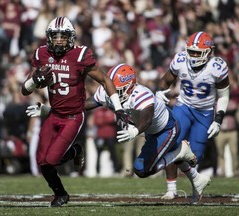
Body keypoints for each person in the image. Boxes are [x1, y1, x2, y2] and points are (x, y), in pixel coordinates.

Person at [27, 63, 202, 204]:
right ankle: (195, 177)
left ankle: (181, 151)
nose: (112, 93)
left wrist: (135, 130)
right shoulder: (107, 91)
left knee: (142, 170)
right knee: (147, 165)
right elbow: (83, 106)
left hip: (165, 129)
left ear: (130, 86)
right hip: (150, 132)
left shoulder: (142, 94)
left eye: (117, 89)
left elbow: (146, 118)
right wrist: (50, 110)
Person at [21, 16, 128, 207]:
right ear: (49, 37)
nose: (59, 40)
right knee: (42, 162)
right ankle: (60, 194)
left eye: (63, 36)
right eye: (55, 36)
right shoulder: (42, 54)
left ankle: (76, 150)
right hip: (53, 114)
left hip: (73, 116)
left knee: (52, 159)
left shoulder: (80, 55)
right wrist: (34, 81)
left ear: (71, 37)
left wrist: (118, 108)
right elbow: (24, 90)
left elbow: (105, 80)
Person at [156, 31, 230, 202]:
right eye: (191, 51)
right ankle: (171, 189)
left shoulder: (217, 67)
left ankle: (196, 187)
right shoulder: (181, 60)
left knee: (194, 157)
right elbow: (166, 79)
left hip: (204, 113)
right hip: (183, 106)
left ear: (209, 52)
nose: (193, 55)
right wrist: (160, 94)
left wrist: (218, 119)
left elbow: (224, 95)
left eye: (198, 52)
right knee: (170, 144)